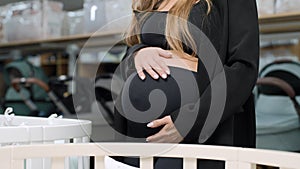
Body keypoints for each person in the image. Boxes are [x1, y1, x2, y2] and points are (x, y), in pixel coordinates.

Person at [112, 0, 259, 168]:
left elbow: (243, 68)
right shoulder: (150, 2)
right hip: (137, 137)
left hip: (199, 134)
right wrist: (137, 53)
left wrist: (189, 122)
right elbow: (128, 55)